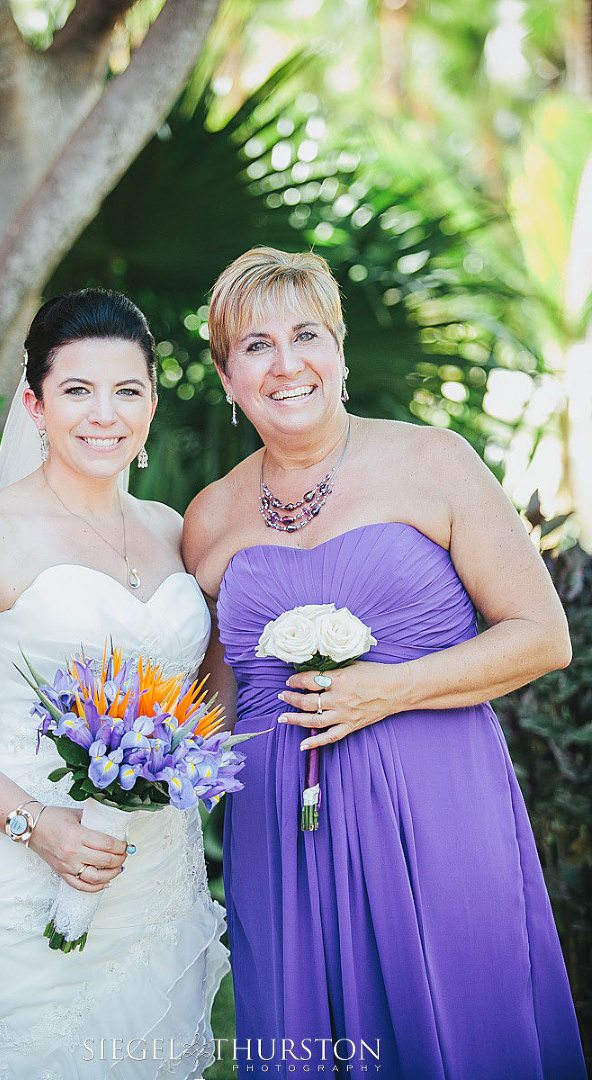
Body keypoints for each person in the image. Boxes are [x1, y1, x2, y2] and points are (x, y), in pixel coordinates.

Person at [183, 248, 587, 1080]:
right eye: (255, 346)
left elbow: (544, 634)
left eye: (306, 335)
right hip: (277, 829)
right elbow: (212, 704)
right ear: (227, 379)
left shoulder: (433, 461)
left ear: (339, 351)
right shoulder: (210, 514)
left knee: (455, 1026)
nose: (286, 363)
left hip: (435, 802)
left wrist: (388, 691)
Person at [0, 289, 228, 1080]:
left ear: (149, 401)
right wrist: (39, 826)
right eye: (77, 390)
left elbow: (205, 704)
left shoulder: (177, 532)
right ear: (35, 405)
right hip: (18, 881)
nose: (103, 414)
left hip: (154, 888)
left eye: (127, 390)